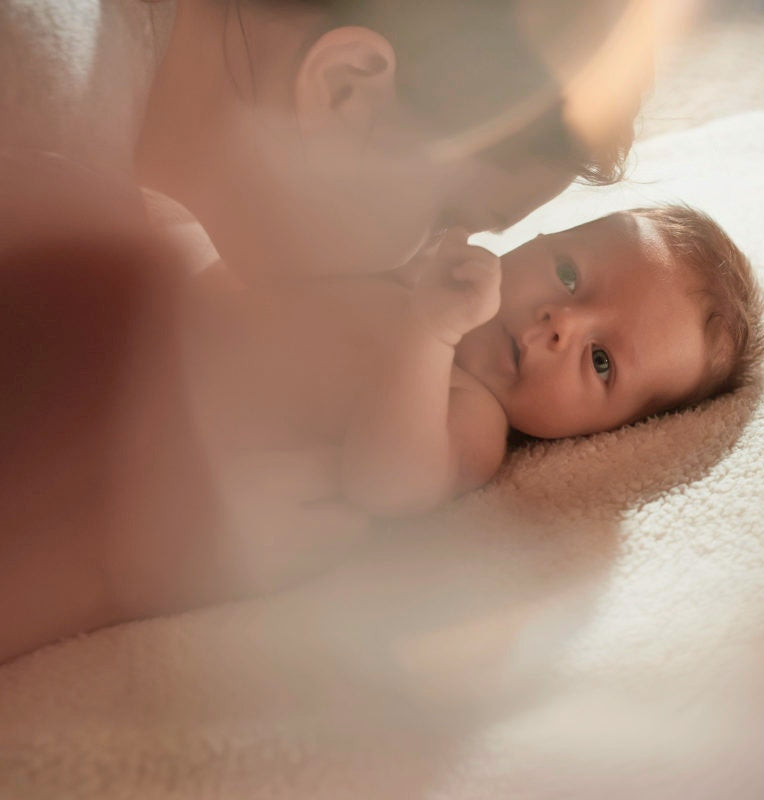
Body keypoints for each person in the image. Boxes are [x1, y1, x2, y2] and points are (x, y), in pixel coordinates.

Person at [0, 0, 659, 661]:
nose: (433, 253)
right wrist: (123, 569)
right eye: (447, 216)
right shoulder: (41, 128)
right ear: (347, 90)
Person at [182, 205, 764, 520]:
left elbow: (386, 486)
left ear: (601, 431)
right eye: (568, 274)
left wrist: (430, 335)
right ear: (539, 235)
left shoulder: (472, 417)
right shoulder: (423, 261)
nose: (562, 323)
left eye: (600, 361)